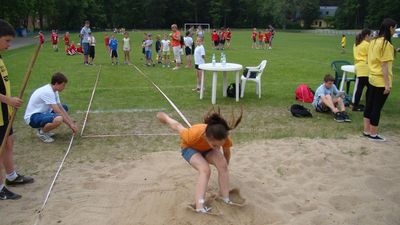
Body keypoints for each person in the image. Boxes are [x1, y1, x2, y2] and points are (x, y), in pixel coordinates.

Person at [156, 108, 242, 213]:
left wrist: (224, 168)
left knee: (222, 163)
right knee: (205, 169)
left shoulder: (223, 138)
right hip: (189, 148)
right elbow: (177, 126)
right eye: (215, 145)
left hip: (207, 150)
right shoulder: (192, 135)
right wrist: (165, 117)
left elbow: (226, 154)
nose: (217, 148)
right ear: (206, 137)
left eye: (219, 145)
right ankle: (199, 206)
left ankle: (225, 198)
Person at [0, 19, 34, 200]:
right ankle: (0, 188)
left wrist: (9, 105)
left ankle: (11, 176)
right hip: (0, 112)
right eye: (6, 41)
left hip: (5, 112)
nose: (9, 45)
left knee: (9, 143)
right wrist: (9, 100)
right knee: (0, 148)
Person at [363, 18, 397, 142]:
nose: (394, 31)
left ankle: (366, 131)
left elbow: (372, 59)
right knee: (376, 107)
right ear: (390, 28)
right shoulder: (386, 44)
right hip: (380, 81)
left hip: (371, 78)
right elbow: (384, 66)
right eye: (394, 28)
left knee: (370, 105)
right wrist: (387, 85)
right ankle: (373, 134)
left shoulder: (373, 41)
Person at [24, 72, 78, 143]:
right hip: (33, 117)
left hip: (42, 113)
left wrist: (71, 122)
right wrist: (70, 125)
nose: (64, 87)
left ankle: (45, 129)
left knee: (64, 107)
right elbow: (57, 111)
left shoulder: (54, 91)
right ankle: (42, 132)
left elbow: (60, 107)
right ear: (56, 84)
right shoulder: (48, 92)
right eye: (63, 85)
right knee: (59, 119)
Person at [352, 29, 371, 112]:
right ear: (366, 35)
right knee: (370, 88)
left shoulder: (356, 44)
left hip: (358, 67)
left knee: (360, 87)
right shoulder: (367, 44)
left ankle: (355, 105)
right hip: (365, 68)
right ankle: (368, 105)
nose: (371, 38)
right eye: (371, 36)